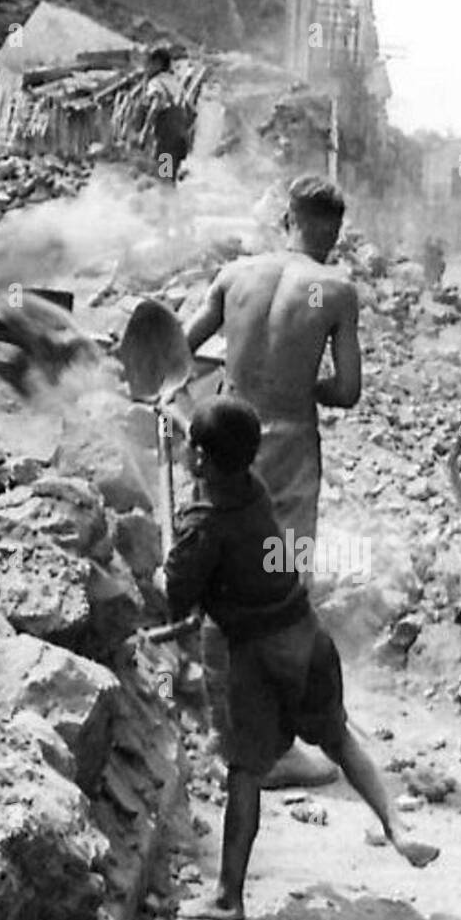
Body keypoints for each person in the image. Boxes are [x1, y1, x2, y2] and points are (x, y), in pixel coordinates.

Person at [165, 398, 436, 920]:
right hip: (307, 638)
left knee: (244, 771)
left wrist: (168, 568)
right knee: (337, 737)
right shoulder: (253, 491)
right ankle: (397, 828)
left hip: (256, 656)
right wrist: (184, 430)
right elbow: (220, 465)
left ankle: (228, 896)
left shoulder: (203, 525)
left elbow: (176, 600)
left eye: (191, 449)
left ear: (200, 458)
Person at [183, 174, 361, 786]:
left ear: (287, 217)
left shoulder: (235, 275)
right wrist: (296, 380)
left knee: (220, 583)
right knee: (282, 586)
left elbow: (175, 351)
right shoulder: (334, 287)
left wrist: (240, 370)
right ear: (331, 229)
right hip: (286, 445)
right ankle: (275, 745)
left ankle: (220, 731)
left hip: (226, 438)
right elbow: (348, 391)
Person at [137, 46, 191, 185]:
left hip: (167, 140)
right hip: (181, 140)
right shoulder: (177, 84)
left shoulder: (156, 83)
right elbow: (192, 111)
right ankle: (173, 204)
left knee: (163, 179)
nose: (147, 67)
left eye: (150, 63)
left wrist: (144, 132)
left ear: (158, 64)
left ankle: (165, 205)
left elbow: (155, 104)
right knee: (170, 179)